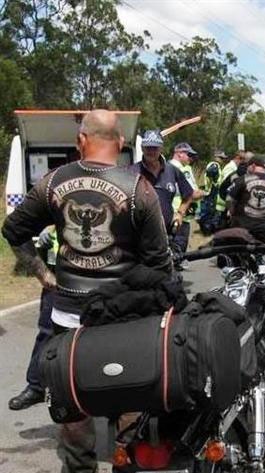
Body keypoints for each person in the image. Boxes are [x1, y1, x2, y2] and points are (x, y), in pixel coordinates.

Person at [2, 109, 172, 473]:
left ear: (80, 140)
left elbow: (14, 230)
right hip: (124, 318)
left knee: (74, 401)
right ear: (122, 143)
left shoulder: (52, 182)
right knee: (130, 397)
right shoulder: (140, 189)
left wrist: (42, 273)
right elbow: (159, 266)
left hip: (68, 315)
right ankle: (125, 463)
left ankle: (80, 466)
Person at [8, 229, 57, 410]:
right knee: (48, 331)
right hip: (58, 274)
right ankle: (36, 386)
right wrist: (42, 273)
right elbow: (15, 229)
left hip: (98, 276)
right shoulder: (52, 200)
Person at [131, 130, 193, 234]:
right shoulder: (132, 171)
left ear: (161, 148)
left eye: (155, 148)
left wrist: (180, 214)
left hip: (166, 235)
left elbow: (188, 194)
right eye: (148, 148)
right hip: (137, 234)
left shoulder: (172, 170)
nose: (151, 151)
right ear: (142, 148)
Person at [225, 156, 265, 242]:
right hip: (263, 227)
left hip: (242, 225)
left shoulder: (242, 180)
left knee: (239, 251)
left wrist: (232, 213)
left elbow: (229, 200)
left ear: (253, 166)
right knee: (258, 250)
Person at [170, 142, 204, 256]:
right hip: (181, 214)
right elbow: (192, 193)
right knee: (178, 251)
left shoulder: (166, 167)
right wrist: (203, 193)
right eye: (189, 155)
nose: (191, 158)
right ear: (179, 154)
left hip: (170, 213)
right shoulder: (182, 170)